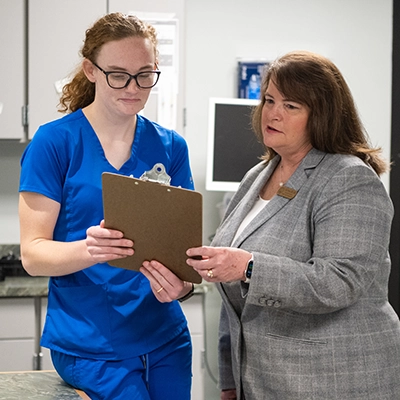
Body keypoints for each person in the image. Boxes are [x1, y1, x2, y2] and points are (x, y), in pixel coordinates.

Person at [186, 50, 400, 399]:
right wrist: (229, 377)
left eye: (291, 106)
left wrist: (249, 267)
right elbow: (233, 298)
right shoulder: (257, 176)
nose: (272, 113)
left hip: (333, 382)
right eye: (269, 100)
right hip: (262, 381)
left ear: (322, 115)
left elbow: (339, 282)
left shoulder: (349, 179)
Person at [19, 12, 195, 400]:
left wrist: (181, 287)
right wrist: (91, 249)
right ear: (91, 70)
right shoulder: (54, 144)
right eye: (118, 74)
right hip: (90, 346)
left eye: (145, 74)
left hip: (166, 339)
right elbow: (32, 255)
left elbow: (184, 252)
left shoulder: (171, 147)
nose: (133, 87)